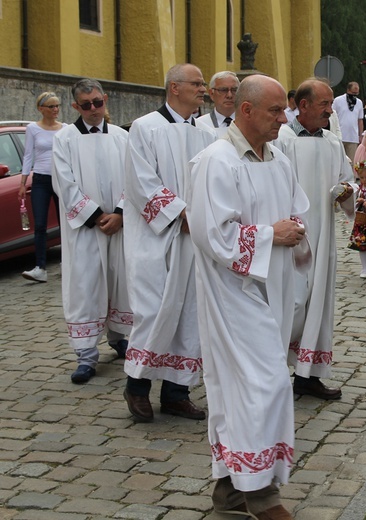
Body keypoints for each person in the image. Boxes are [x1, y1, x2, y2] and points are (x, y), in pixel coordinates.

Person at [188, 74, 308, 520]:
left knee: (248, 390)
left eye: (285, 109)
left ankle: (229, 497)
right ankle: (262, 498)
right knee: (263, 387)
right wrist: (267, 235)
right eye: (276, 110)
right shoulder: (215, 161)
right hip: (232, 294)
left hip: (272, 289)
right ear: (246, 110)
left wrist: (295, 230)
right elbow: (210, 235)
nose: (284, 117)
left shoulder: (277, 157)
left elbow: (296, 209)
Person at [122, 63, 216, 422]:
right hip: (156, 238)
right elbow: (139, 181)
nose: (202, 89)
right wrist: (180, 214)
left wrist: (205, 215)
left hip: (193, 240)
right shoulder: (145, 127)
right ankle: (137, 386)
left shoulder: (206, 135)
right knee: (154, 312)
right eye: (197, 83)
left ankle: (177, 393)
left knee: (189, 314)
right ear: (174, 88)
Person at [274, 78, 354, 401]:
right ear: (303, 105)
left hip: (324, 237)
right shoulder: (281, 140)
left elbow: (346, 181)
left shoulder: (333, 143)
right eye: (324, 103)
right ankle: (276, 373)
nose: (330, 109)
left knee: (318, 304)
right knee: (290, 304)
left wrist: (347, 192)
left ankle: (307, 376)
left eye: (331, 103)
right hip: (291, 236)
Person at [51, 78, 132, 384]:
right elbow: (65, 183)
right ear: (76, 106)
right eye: (87, 105)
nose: (94, 109)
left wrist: (121, 214)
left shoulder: (122, 138)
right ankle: (86, 353)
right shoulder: (65, 139)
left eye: (98, 102)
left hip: (118, 227)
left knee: (118, 281)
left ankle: (119, 336)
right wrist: (98, 216)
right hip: (85, 230)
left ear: (105, 99)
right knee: (86, 285)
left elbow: (132, 178)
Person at [18, 92, 66, 283]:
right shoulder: (32, 129)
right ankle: (40, 267)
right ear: (41, 109)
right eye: (51, 106)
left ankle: (67, 262)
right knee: (39, 225)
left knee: (65, 223)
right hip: (41, 179)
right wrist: (22, 182)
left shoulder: (65, 128)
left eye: (57, 106)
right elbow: (28, 155)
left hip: (61, 179)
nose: (55, 110)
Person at [196, 71, 239, 138]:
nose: (229, 95)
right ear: (211, 94)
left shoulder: (249, 123)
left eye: (234, 90)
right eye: (223, 90)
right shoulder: (200, 125)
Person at [332, 81, 364, 163]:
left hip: (353, 137)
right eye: (353, 93)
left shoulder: (359, 102)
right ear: (348, 90)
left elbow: (360, 120)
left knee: (352, 162)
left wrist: (360, 135)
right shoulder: (338, 100)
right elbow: (332, 116)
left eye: (357, 93)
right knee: (339, 161)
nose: (354, 95)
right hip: (339, 136)